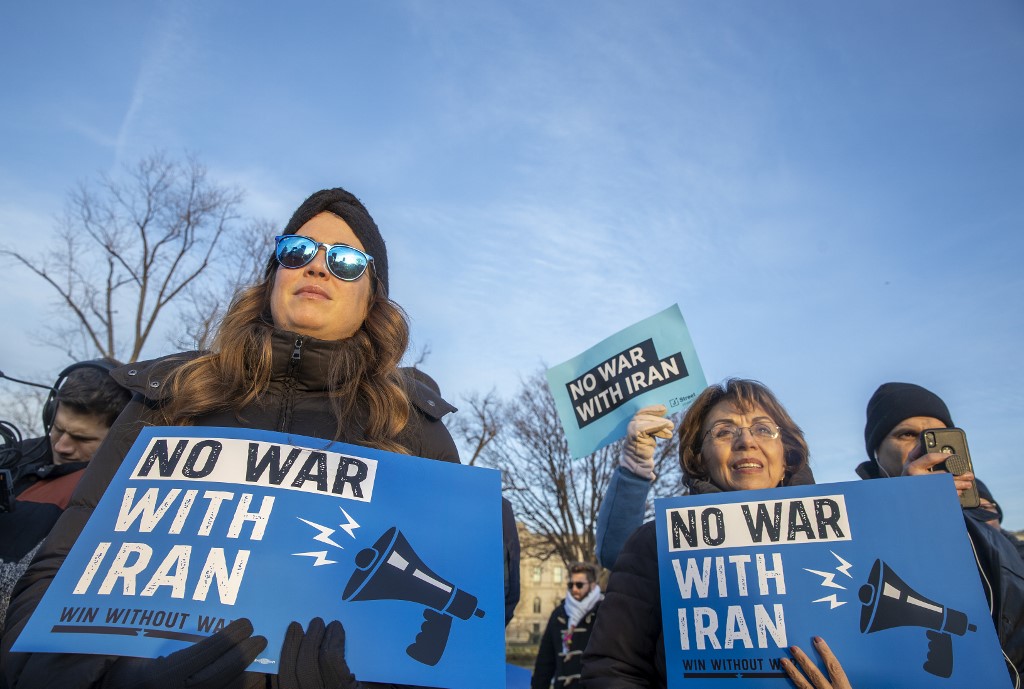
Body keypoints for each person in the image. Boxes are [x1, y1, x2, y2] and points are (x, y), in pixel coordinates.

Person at [0, 187, 479, 689]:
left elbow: (452, 658)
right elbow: (56, 578)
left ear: (372, 299)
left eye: (344, 261)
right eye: (297, 252)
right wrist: (124, 683)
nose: (316, 268)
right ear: (273, 277)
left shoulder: (416, 430)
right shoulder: (171, 399)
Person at [580, 378, 824, 688]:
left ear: (786, 455)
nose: (746, 441)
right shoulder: (659, 544)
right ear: (700, 459)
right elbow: (611, 670)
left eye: (763, 429)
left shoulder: (848, 537)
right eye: (724, 431)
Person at [858, 382, 1024, 682]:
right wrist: (911, 508)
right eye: (906, 434)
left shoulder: (985, 527)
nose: (922, 444)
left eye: (936, 435)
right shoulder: (858, 523)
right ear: (877, 454)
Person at [0, 360, 130, 631]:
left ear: (119, 438)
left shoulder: (113, 497)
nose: (61, 445)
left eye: (82, 439)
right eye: (58, 428)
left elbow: (27, 594)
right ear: (50, 412)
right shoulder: (12, 455)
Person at [531, 562, 602, 689]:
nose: (574, 589)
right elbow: (545, 662)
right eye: (571, 584)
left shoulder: (603, 613)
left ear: (592, 585)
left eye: (579, 585)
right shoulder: (559, 615)